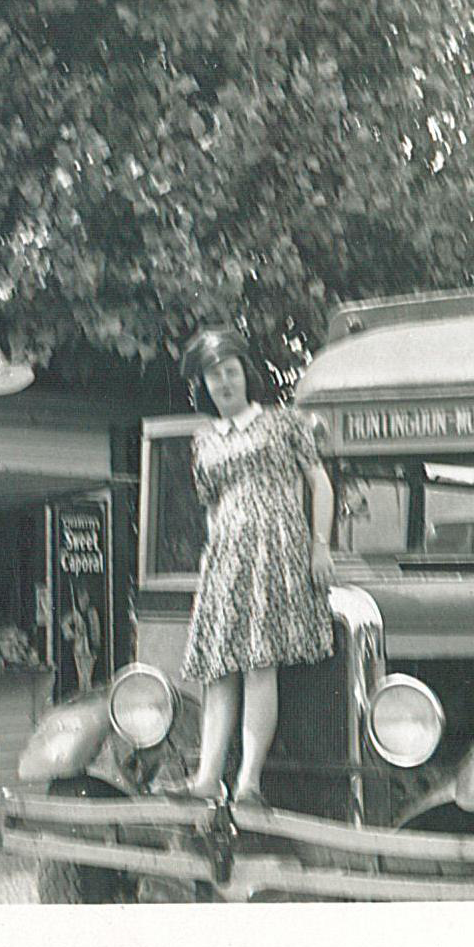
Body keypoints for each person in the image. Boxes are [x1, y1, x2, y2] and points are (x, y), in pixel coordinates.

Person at [169, 328, 335, 809]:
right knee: (219, 668)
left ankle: (249, 783)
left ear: (246, 374)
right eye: (213, 376)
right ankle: (206, 778)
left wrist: (319, 546)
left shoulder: (283, 423)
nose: (223, 382)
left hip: (276, 549)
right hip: (226, 558)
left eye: (230, 372)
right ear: (203, 385)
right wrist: (213, 557)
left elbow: (318, 484)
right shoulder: (203, 441)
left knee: (261, 663)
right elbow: (213, 508)